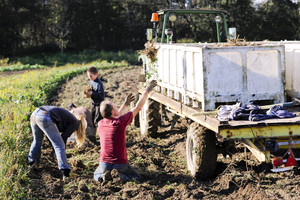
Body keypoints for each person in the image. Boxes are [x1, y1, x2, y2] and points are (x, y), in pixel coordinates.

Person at [94, 80, 157, 183]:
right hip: (120, 164)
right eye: (115, 106)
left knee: (96, 174)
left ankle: (101, 178)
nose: (117, 107)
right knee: (135, 175)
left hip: (104, 163)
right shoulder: (120, 122)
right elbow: (138, 107)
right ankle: (121, 178)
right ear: (113, 111)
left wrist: (125, 104)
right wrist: (147, 91)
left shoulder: (100, 123)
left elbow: (115, 115)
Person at [28, 106, 86, 180]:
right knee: (59, 145)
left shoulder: (68, 118)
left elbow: (51, 136)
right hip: (45, 116)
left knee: (37, 140)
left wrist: (54, 151)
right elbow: (63, 138)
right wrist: (61, 153)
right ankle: (65, 172)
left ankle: (32, 164)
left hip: (35, 113)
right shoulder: (74, 123)